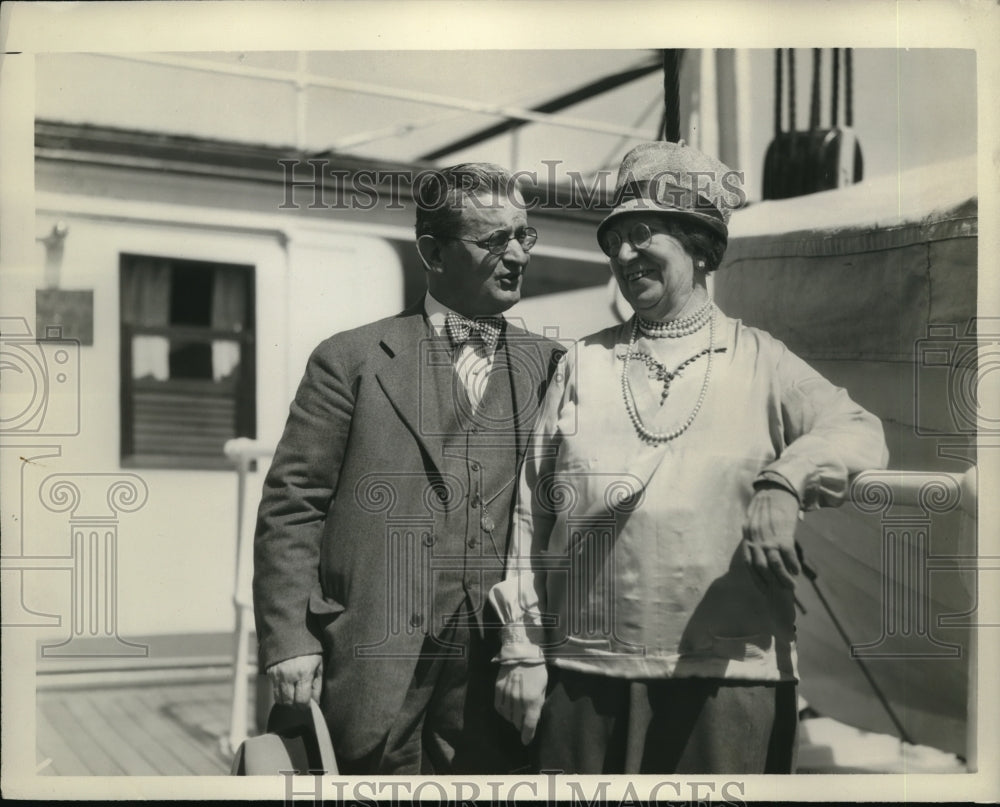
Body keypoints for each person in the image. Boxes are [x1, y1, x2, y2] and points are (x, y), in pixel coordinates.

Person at [490, 141, 889, 774]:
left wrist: (785, 483)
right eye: (613, 240)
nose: (623, 255)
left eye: (641, 233)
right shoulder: (582, 364)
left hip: (728, 682)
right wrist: (519, 648)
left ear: (701, 247)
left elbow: (859, 431)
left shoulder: (763, 360)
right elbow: (528, 519)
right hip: (584, 681)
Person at [253, 163, 564, 775]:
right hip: (374, 657)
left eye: (523, 236)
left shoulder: (552, 365)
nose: (517, 255)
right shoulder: (351, 359)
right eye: (493, 240)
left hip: (495, 666)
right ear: (433, 252)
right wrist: (289, 640)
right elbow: (294, 502)